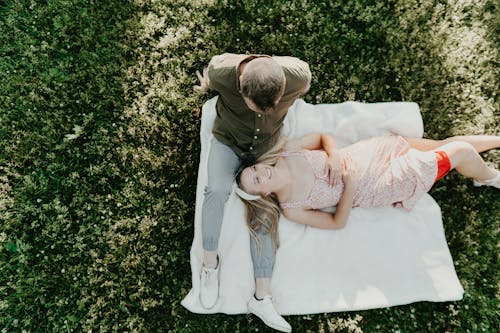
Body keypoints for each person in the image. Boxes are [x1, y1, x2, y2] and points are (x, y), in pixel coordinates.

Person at [194, 53, 312, 332]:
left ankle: (262, 297)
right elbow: (212, 76)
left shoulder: (297, 76)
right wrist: (206, 86)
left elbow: (303, 82)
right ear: (241, 86)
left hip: (265, 150)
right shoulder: (224, 73)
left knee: (265, 210)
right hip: (228, 143)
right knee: (217, 190)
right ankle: (210, 265)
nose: (262, 114)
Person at [236, 133, 500, 241]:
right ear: (264, 194)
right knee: (460, 151)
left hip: (369, 153)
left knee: (441, 146)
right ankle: (489, 177)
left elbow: (322, 137)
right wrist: (349, 187)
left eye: (256, 168)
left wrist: (334, 156)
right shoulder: (292, 208)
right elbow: (337, 223)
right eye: (257, 179)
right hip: (376, 184)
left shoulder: (288, 152)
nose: (262, 171)